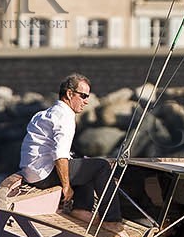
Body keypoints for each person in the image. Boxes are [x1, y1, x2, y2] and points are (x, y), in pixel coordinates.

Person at [18, 74, 122, 225]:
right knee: (101, 166)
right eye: (83, 96)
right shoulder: (65, 116)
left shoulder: (44, 114)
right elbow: (60, 155)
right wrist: (67, 188)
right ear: (69, 94)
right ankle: (112, 220)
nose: (86, 101)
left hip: (30, 172)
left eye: (88, 96)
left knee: (84, 162)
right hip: (43, 175)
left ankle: (81, 209)